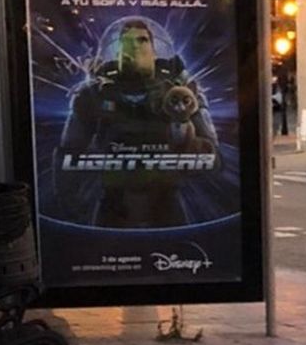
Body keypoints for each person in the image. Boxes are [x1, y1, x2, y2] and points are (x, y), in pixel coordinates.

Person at [55, 18, 218, 228]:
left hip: (165, 201)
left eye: (142, 40)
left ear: (154, 49)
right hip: (114, 202)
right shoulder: (93, 94)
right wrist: (68, 203)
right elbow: (68, 153)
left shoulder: (179, 93)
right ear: (118, 48)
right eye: (127, 41)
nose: (135, 48)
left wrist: (183, 129)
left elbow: (212, 157)